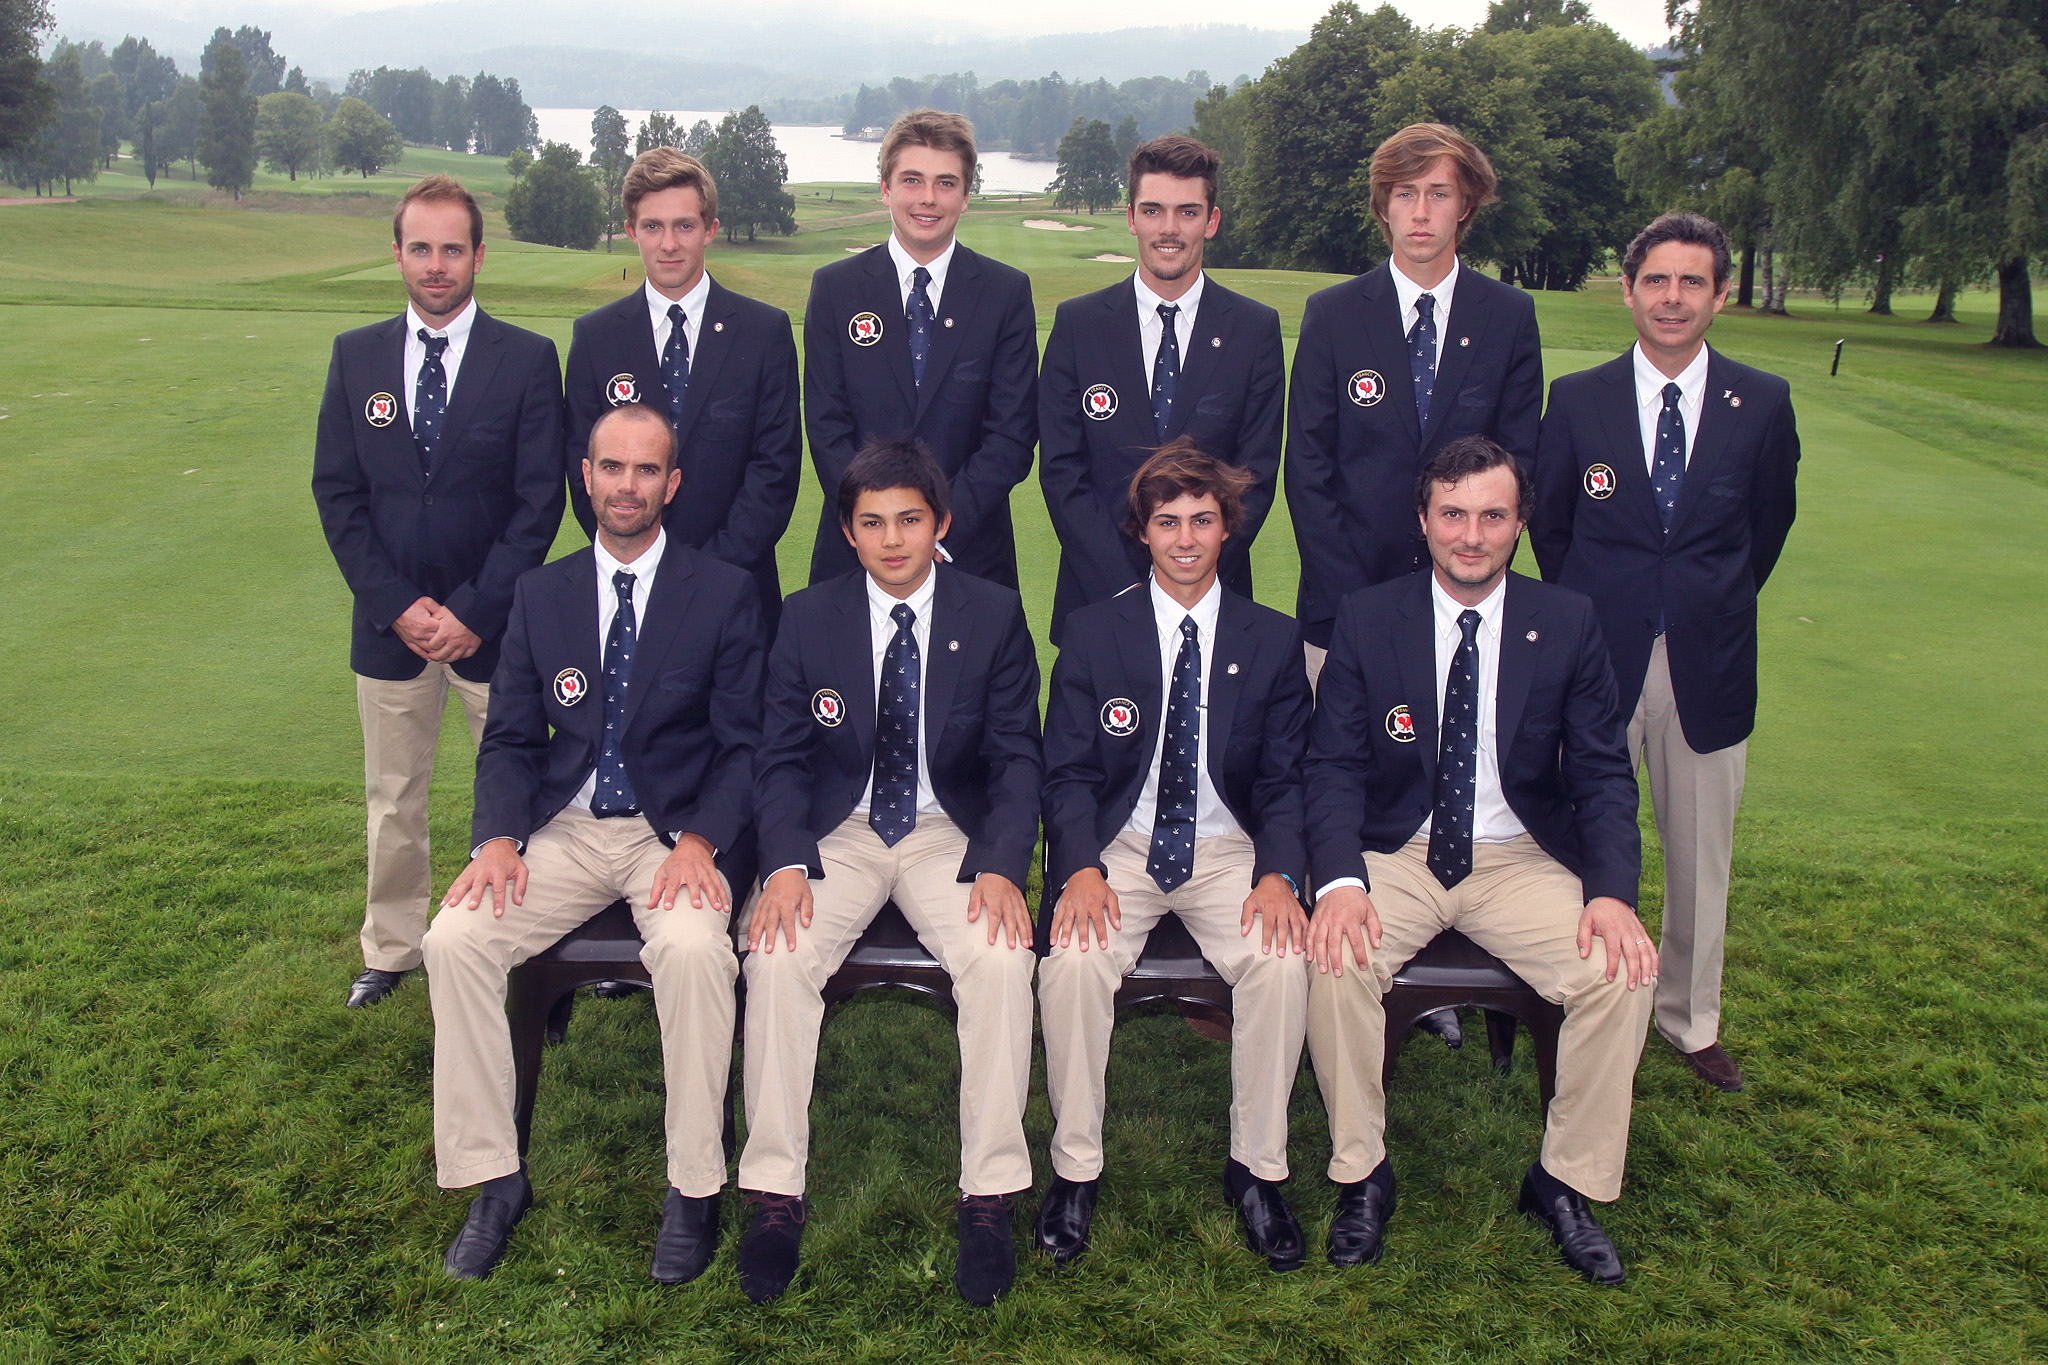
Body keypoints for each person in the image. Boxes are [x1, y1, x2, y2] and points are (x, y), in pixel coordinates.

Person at [421, 403, 763, 1283]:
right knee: (453, 939)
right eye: (612, 466)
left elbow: (745, 746)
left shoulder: (722, 590)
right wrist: (499, 837)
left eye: (647, 470)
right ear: (587, 476)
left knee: (693, 950)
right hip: (563, 829)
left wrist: (702, 839)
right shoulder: (542, 593)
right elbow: (509, 740)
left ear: (672, 484)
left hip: (670, 833)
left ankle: (693, 1185)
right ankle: (495, 1175)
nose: (627, 485)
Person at [1303, 435, 1654, 1285]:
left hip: (1519, 855)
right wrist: (1341, 881)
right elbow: (1333, 766)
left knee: (1620, 969)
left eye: (1492, 515)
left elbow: (1603, 772)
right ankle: (1362, 1171)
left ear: (1520, 522)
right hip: (1400, 847)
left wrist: (1610, 892)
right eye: (1453, 513)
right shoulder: (1368, 616)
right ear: (1423, 518)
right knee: (1335, 953)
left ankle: (1564, 1180)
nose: (1471, 535)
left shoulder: (1566, 620)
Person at [737, 440, 1043, 1307]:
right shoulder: (809, 615)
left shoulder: (993, 611)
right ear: (848, 531)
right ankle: (774, 1192)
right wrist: (785, 861)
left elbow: (1019, 756)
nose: (893, 539)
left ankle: (988, 1193)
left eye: (910, 519)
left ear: (940, 522)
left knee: (1000, 958)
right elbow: (780, 758)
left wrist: (1002, 864)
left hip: (949, 829)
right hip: (841, 828)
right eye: (872, 522)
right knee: (777, 954)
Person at [1283, 120, 1543, 1050]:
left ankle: (1448, 972)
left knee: (1448, 785)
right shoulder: (1334, 314)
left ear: (1466, 206)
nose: (1421, 211)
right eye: (1404, 193)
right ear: (1382, 206)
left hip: (1469, 609)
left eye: (1439, 193)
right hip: (1347, 609)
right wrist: (1372, 608)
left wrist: (1452, 587)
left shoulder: (1507, 317)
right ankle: (1346, 960)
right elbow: (1308, 471)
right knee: (1348, 789)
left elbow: (1517, 465)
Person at [1532, 212, 1800, 1094]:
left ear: (1720, 295)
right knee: (1577, 837)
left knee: (1697, 855)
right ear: (1629, 290)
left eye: (1692, 281)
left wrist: (1702, 602)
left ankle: (1688, 1017)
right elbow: (1553, 529)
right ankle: (1579, 992)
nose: (1673, 297)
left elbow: (1767, 527)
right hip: (1596, 658)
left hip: (1707, 661)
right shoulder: (1579, 398)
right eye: (1657, 280)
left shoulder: (1762, 401)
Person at [1036, 439, 1313, 1272]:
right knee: (1073, 959)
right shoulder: (1093, 632)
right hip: (1121, 843)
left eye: (1202, 519)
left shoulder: (1273, 638)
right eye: (1168, 521)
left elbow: (1286, 778)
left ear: (1228, 527)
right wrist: (1080, 866)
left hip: (1227, 847)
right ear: (1142, 531)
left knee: (1280, 959)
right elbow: (1067, 771)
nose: (1186, 538)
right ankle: (1075, 1168)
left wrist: (1278, 873)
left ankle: (1257, 1168)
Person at [312, 173, 566, 1011]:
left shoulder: (526, 359)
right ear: (397, 253)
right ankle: (392, 948)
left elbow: (538, 503)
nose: (435, 264)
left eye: (451, 249)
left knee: (524, 792)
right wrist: (396, 604)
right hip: (389, 628)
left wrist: (473, 610)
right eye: (419, 247)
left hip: (495, 628)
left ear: (478, 256)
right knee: (394, 798)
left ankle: (532, 954)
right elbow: (338, 494)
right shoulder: (356, 355)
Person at [1037, 135, 1284, 644]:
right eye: (1153, 210)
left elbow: (1255, 476)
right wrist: (1128, 590)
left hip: (1213, 606)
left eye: (1187, 212)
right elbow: (1063, 473)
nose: (1169, 229)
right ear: (1132, 218)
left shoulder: (1254, 330)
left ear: (1211, 221)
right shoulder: (1078, 325)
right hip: (1098, 604)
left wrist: (1188, 580)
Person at [564, 147, 802, 635]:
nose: (669, 244)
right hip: (631, 596)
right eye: (652, 226)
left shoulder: (764, 332)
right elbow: (584, 471)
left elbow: (775, 472)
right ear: (631, 231)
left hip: (740, 597)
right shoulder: (595, 337)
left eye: (684, 226)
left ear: (710, 229)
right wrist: (645, 566)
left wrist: (705, 577)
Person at [802, 108, 1038, 589]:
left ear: (966, 196)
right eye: (912, 180)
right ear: (886, 189)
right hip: (855, 560)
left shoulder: (1005, 293)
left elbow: (1010, 437)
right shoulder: (835, 289)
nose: (928, 198)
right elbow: (827, 429)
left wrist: (936, 529)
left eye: (946, 183)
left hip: (970, 556)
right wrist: (878, 527)